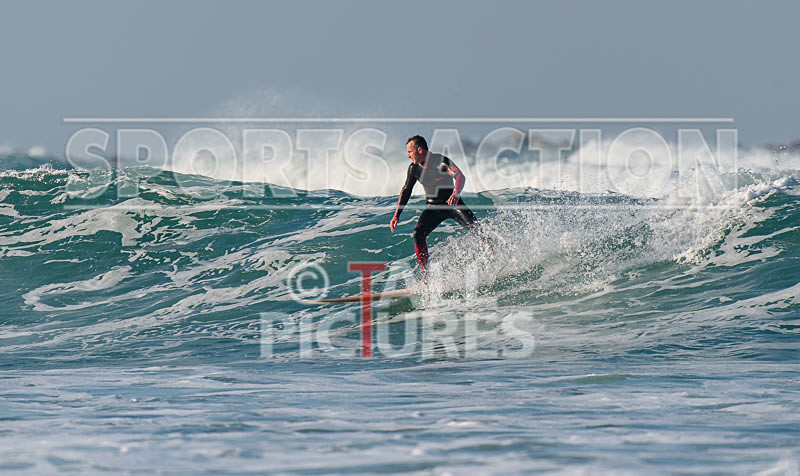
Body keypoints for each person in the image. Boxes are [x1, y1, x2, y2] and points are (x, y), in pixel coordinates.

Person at [390, 135, 477, 272]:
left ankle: (493, 254)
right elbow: (406, 191)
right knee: (418, 234)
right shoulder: (414, 169)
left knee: (476, 229)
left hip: (452, 203)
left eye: (410, 152)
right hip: (433, 207)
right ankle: (426, 275)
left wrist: (456, 193)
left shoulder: (441, 161)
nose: (408, 156)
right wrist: (396, 215)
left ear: (419, 150)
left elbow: (459, 176)